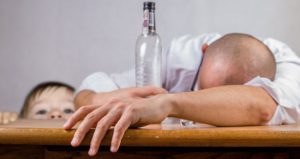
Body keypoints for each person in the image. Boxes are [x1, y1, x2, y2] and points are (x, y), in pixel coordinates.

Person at [63, 33, 300, 156]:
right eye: (203, 90)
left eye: (225, 96)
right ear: (203, 52)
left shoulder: (286, 63)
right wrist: (94, 100)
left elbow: (261, 107)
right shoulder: (181, 55)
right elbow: (91, 87)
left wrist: (165, 104)